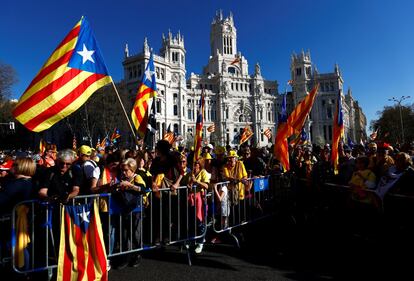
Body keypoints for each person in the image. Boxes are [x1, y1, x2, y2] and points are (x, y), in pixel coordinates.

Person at [188, 159, 210, 254]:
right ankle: (193, 240)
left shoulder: (203, 172)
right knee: (193, 221)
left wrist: (196, 181)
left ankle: (200, 242)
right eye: (194, 163)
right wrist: (190, 184)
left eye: (197, 163)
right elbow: (188, 185)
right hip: (192, 200)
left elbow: (206, 185)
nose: (195, 165)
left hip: (201, 199)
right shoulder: (191, 173)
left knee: (200, 222)